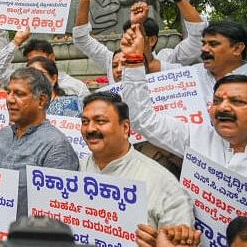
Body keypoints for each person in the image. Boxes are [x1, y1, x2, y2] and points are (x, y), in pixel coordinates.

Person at [120, 23, 247, 176]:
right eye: (217, 101)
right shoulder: (196, 138)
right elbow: (143, 119)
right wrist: (133, 58)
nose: (223, 108)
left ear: (238, 48)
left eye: (237, 101)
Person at [79, 92, 194, 245]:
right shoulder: (73, 171)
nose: (90, 129)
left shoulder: (165, 185)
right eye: (85, 122)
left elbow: (179, 242)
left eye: (100, 121)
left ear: (125, 128)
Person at [0, 67, 79, 217]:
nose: (9, 99)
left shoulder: (56, 146)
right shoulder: (2, 135)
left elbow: (56, 211)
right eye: (9, 92)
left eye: (19, 94)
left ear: (41, 101)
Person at [73, 0, 206, 83]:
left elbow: (199, 37)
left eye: (137, 35)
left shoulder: (167, 59)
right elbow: (81, 38)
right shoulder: (114, 59)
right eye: (128, 37)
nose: (129, 42)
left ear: (152, 40)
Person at [0, 27, 90, 96]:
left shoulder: (76, 87)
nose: (35, 66)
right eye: (30, 62)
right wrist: (16, 42)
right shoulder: (22, 83)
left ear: (52, 58)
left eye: (39, 59)